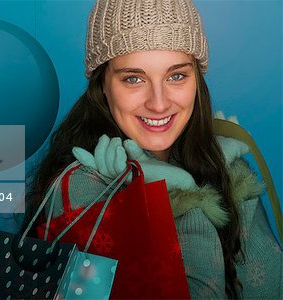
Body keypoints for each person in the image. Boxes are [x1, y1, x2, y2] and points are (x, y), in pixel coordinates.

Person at [19, 0, 282, 298]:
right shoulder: (81, 189)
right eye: (133, 78)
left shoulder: (221, 164)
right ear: (102, 84)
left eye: (177, 76)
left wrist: (231, 182)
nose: (158, 103)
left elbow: (270, 289)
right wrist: (185, 195)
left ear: (197, 78)